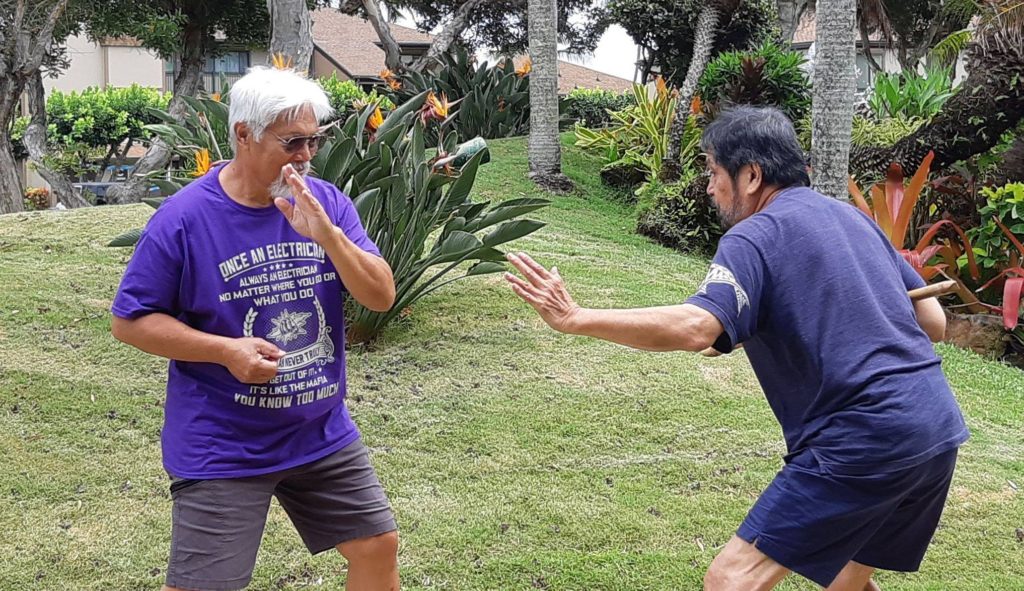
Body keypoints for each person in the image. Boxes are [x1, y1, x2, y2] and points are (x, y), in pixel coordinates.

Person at [504, 106, 968, 590]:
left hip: (863, 435)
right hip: (934, 428)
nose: (708, 185)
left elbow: (696, 327)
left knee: (730, 580)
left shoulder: (754, 235)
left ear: (750, 175)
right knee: (848, 584)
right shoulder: (852, 220)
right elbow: (932, 323)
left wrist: (575, 318)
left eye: (712, 170)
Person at [111, 66, 399, 591]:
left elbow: (380, 294)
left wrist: (328, 236)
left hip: (318, 429)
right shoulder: (184, 218)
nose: (306, 156)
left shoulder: (325, 202)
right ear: (244, 134)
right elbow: (131, 321)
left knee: (377, 544)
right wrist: (225, 350)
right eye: (293, 142)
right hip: (224, 441)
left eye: (313, 140)